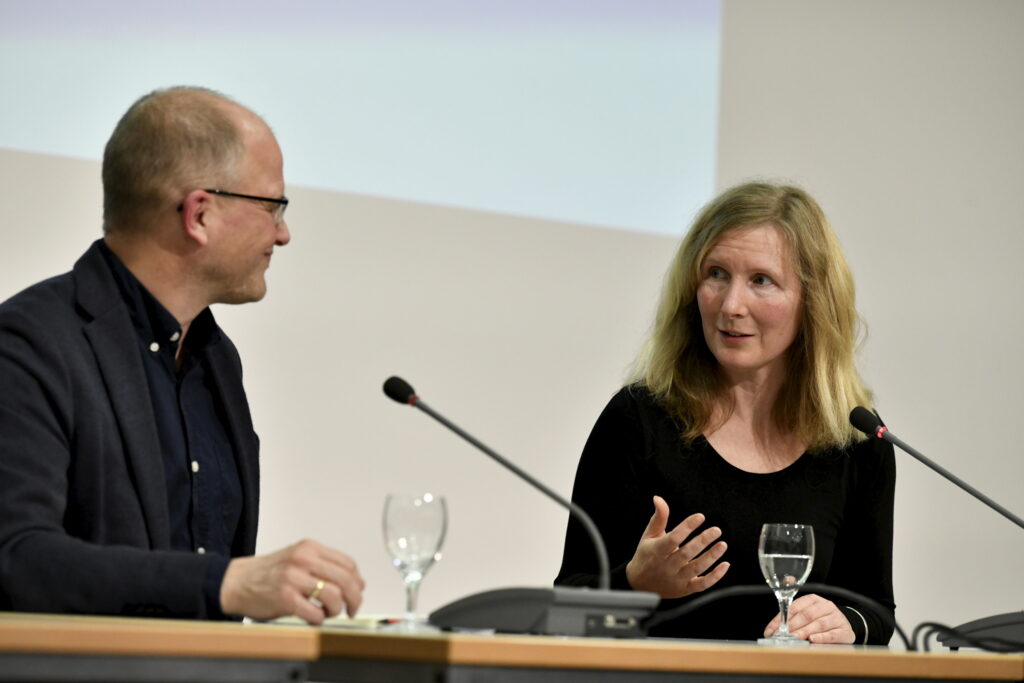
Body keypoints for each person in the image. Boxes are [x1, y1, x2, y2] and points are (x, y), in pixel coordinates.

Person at [0, 86, 363, 623]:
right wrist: (224, 583)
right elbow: (18, 558)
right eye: (272, 206)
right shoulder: (31, 344)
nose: (283, 233)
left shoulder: (216, 359)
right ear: (200, 214)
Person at [555, 182, 895, 645]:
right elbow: (566, 609)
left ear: (813, 302)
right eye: (716, 274)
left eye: (761, 280)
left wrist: (848, 624)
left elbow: (875, 609)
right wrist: (634, 583)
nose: (731, 306)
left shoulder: (854, 438)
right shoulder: (638, 419)